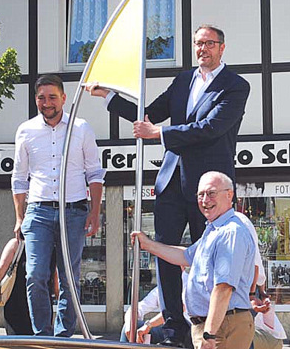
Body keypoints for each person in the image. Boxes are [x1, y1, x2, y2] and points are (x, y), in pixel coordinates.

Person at [87, 24, 250, 346]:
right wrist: (109, 97)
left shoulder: (236, 86)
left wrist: (159, 134)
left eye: (209, 44)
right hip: (172, 180)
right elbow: (150, 113)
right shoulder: (184, 80)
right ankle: (175, 327)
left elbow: (211, 128)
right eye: (198, 44)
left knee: (207, 257)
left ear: (222, 47)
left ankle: (208, 322)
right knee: (165, 255)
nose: (203, 49)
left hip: (208, 185)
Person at [11, 74, 105, 336]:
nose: (47, 102)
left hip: (73, 212)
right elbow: (19, 178)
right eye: (41, 97)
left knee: (69, 279)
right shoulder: (25, 130)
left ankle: (64, 336)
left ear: (63, 98)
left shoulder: (81, 128)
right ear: (36, 100)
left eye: (52, 97)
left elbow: (94, 174)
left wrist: (94, 213)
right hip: (38, 211)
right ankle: (42, 335)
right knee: (34, 275)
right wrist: (20, 218)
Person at [131, 171, 255, 349]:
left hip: (222, 326)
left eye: (211, 193)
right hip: (214, 326)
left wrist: (209, 334)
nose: (205, 200)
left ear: (229, 195)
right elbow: (185, 256)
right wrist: (148, 245)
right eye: (200, 194)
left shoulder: (230, 232)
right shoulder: (214, 230)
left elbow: (223, 288)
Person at [0, 238, 58, 335]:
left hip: (42, 311)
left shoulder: (52, 248)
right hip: (16, 309)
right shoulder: (17, 245)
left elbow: (56, 282)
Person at [120, 269, 193, 348]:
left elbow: (178, 310)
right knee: (131, 327)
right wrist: (129, 324)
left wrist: (148, 325)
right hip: (167, 330)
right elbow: (139, 307)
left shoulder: (190, 282)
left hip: (189, 330)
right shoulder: (164, 288)